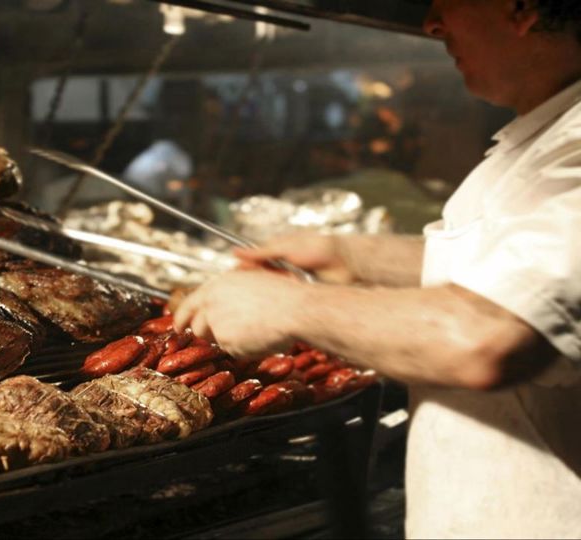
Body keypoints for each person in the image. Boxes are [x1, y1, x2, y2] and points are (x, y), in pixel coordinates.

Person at [173, 1, 581, 537]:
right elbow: (511, 272)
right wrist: (354, 256)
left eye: (445, 3)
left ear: (522, 8)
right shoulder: (545, 136)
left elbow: (490, 337)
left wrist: (292, 305)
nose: (431, 24)